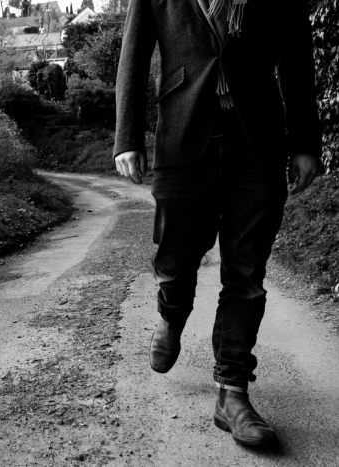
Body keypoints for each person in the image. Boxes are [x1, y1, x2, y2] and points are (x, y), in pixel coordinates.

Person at [113, 0, 322, 447]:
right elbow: (132, 58)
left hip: (258, 141)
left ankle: (232, 393)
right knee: (176, 255)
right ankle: (172, 314)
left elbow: (297, 61)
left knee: (246, 275)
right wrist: (127, 138)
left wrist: (305, 142)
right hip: (182, 136)